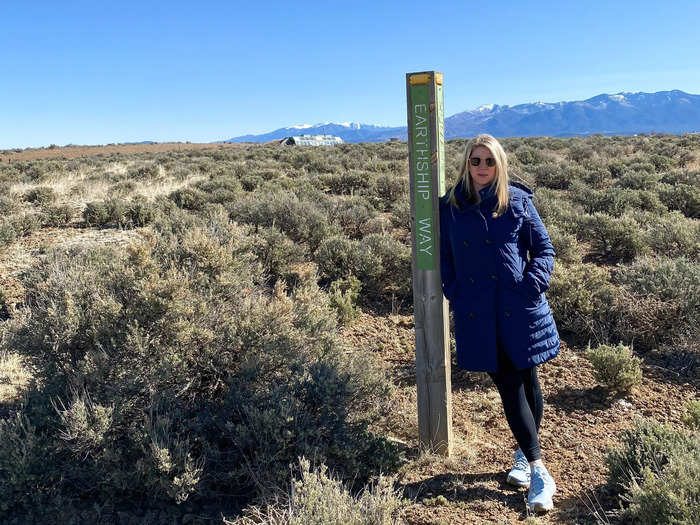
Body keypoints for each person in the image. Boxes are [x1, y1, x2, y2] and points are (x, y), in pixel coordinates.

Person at [439, 134, 560, 512]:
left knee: (526, 377)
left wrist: (531, 285)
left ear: (500, 164)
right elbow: (445, 254)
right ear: (466, 164)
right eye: (476, 161)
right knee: (510, 381)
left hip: (518, 308)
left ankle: (529, 462)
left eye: (489, 161)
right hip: (478, 311)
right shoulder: (451, 206)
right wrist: (454, 290)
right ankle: (537, 465)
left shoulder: (518, 201)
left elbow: (544, 249)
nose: (482, 168)